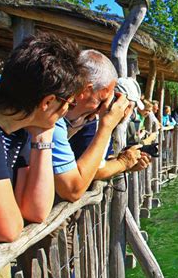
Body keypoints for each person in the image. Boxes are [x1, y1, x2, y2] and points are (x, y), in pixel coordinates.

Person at [0, 33, 87, 278]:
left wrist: (43, 138)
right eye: (67, 105)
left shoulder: (21, 128)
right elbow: (10, 226)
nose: (66, 113)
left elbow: (35, 210)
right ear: (47, 102)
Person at [52, 49, 133, 202]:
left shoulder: (61, 115)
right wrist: (106, 126)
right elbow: (73, 190)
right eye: (101, 99)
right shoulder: (51, 115)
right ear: (86, 90)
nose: (100, 108)